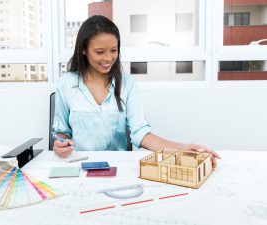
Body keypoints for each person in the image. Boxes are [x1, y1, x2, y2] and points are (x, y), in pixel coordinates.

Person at [52, 15, 221, 167]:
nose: (108, 58)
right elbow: (62, 132)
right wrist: (61, 144)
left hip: (117, 167)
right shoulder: (66, 84)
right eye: (99, 52)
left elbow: (141, 133)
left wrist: (181, 148)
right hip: (81, 165)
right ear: (83, 49)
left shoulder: (128, 84)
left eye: (113, 50)